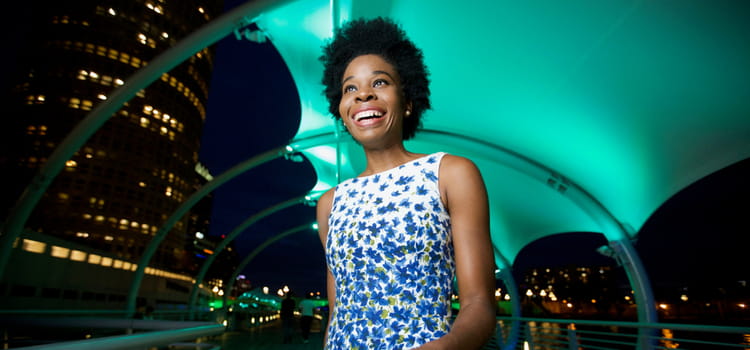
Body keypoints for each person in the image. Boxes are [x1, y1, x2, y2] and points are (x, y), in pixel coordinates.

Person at [316, 17, 496, 350]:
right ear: (341, 111)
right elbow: (337, 314)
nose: (363, 94)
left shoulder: (451, 173)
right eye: (349, 88)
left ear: (408, 101)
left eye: (380, 82)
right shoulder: (329, 203)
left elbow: (479, 304)